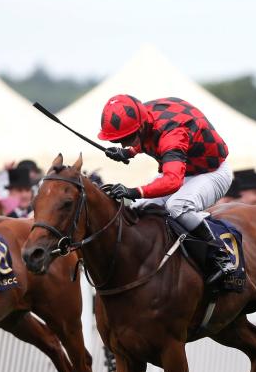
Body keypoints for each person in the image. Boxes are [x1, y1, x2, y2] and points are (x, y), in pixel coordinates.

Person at [96, 94, 235, 284]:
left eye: (126, 139)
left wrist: (133, 191)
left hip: (212, 172)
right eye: (118, 141)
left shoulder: (173, 134)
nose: (123, 143)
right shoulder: (145, 116)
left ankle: (220, 253)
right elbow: (150, 138)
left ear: (140, 125)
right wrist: (127, 152)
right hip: (183, 168)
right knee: (138, 209)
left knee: (177, 206)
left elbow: (172, 181)